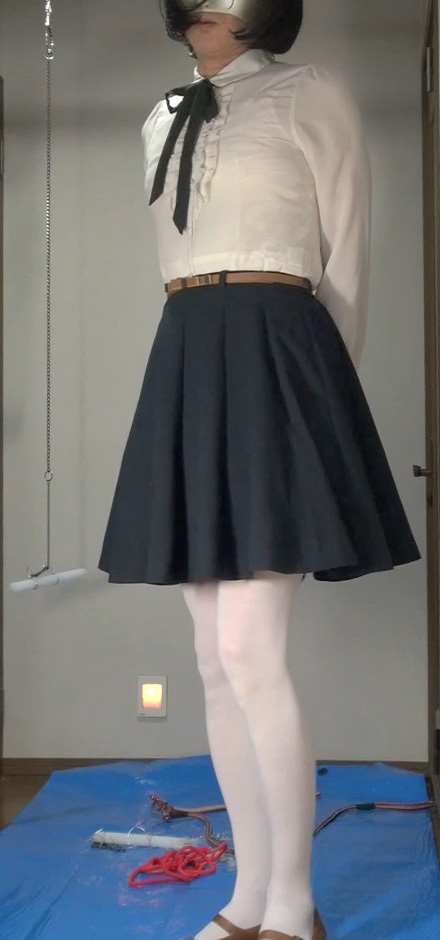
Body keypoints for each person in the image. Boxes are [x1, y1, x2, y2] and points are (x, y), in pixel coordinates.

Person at [98, 2, 421, 939]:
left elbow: (347, 255)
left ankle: (293, 906)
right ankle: (248, 900)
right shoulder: (161, 115)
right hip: (188, 349)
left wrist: (321, 405)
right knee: (210, 656)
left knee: (248, 649)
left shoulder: (311, 91)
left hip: (281, 350)